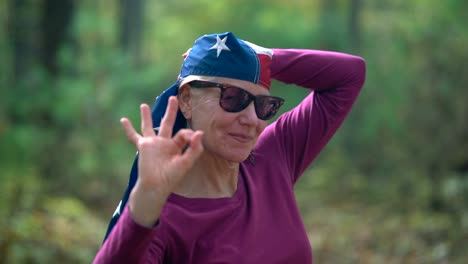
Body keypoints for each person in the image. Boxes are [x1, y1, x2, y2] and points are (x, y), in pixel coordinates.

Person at [94, 32, 366, 263]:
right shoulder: (162, 219)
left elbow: (350, 74)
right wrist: (144, 204)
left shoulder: (272, 156)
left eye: (263, 106)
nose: (251, 120)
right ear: (187, 100)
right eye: (233, 98)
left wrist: (262, 58)